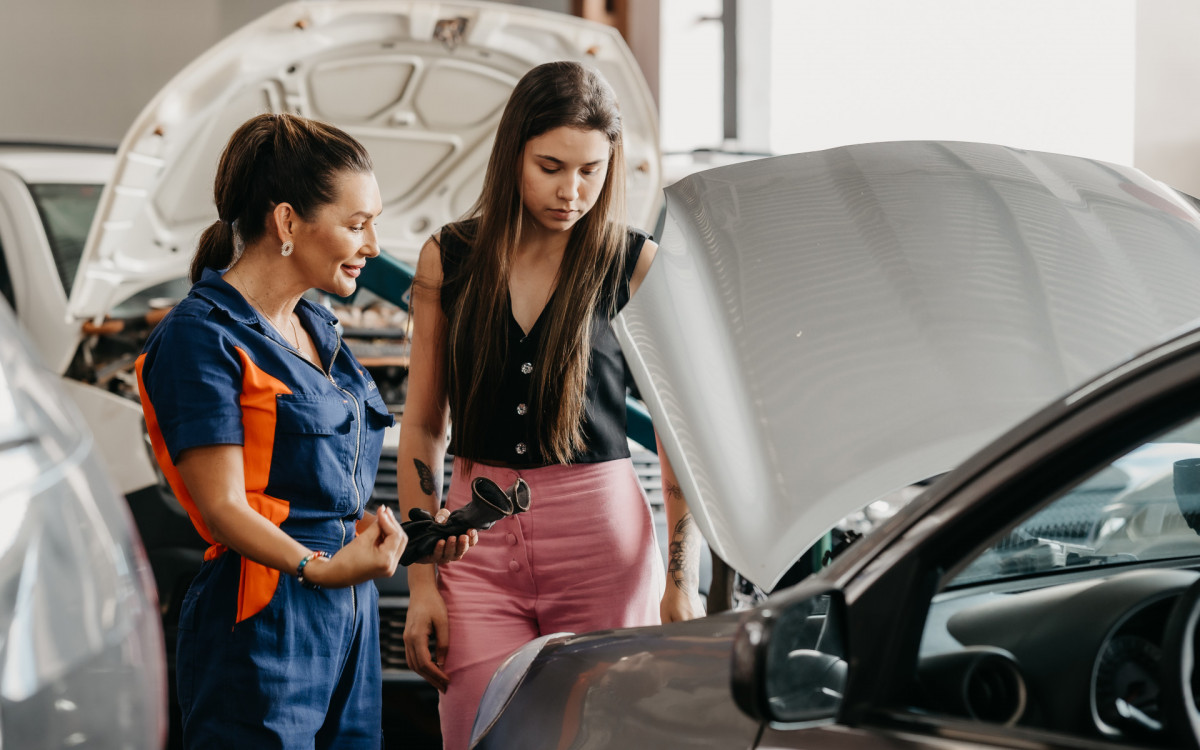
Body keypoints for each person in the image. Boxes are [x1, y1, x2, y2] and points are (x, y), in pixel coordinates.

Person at [135, 112, 475, 749]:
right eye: (356, 223)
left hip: (347, 619)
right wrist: (320, 568)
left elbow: (333, 490)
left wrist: (417, 540)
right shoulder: (200, 337)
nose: (374, 245)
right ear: (287, 222)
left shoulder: (319, 331)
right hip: (262, 618)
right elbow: (224, 505)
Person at [398, 60, 707, 750]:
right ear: (513, 154)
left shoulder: (634, 264)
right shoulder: (448, 259)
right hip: (472, 545)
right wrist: (423, 581)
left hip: (604, 545)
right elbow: (422, 427)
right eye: (551, 166)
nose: (572, 191)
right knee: (478, 733)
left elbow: (676, 437)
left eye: (591, 171)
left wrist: (681, 582)